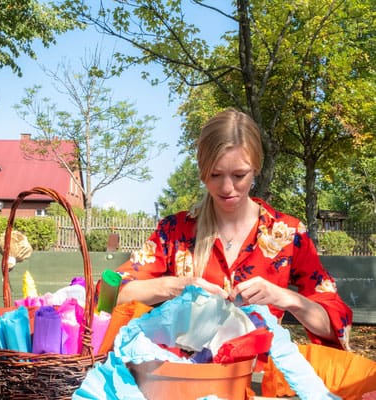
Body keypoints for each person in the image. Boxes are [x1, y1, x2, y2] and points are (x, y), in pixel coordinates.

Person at [114, 108, 352, 350]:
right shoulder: (175, 231)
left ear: (256, 168)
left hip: (257, 378)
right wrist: (174, 286)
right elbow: (111, 294)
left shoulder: (288, 233)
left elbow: (335, 321)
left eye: (239, 175)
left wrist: (287, 298)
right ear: (202, 171)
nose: (227, 188)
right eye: (215, 174)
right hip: (182, 377)